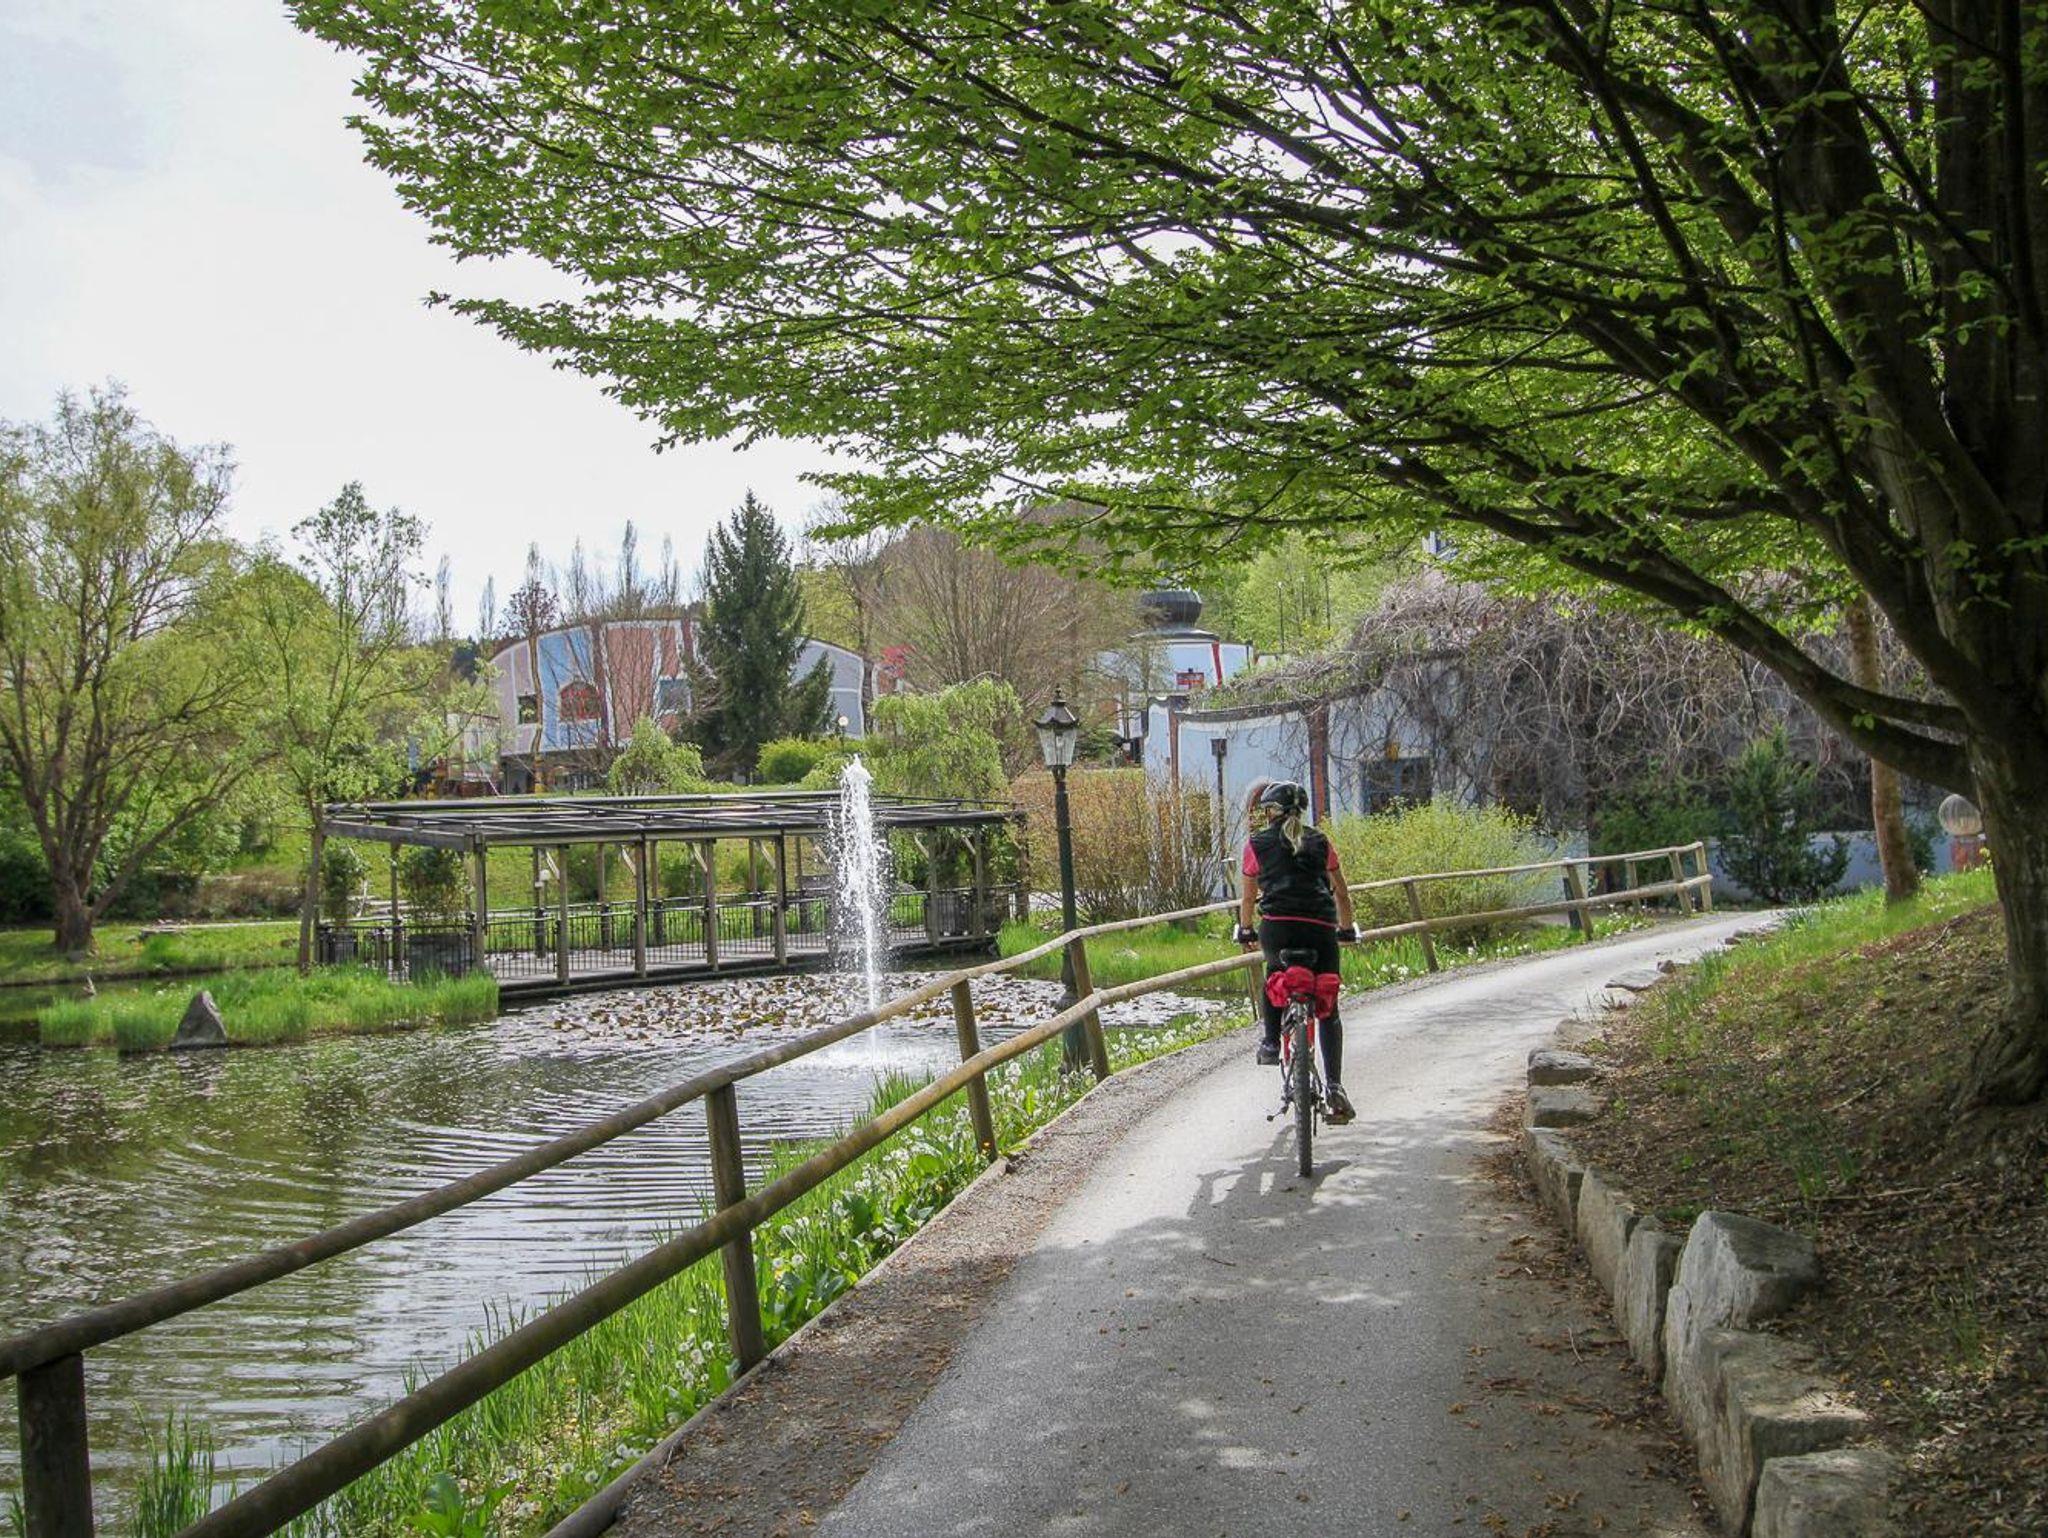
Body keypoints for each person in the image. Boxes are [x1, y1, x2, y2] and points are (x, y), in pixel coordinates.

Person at [1234, 779, 1359, 1125]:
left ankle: (1271, 1043)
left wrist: (1246, 929)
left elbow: (1248, 898)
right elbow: (1341, 893)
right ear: (1300, 811)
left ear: (1271, 812)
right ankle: (1334, 1085)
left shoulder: (1256, 844)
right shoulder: (1321, 842)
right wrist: (1346, 928)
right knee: (1329, 1007)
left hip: (1279, 928)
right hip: (1319, 928)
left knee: (1274, 975)